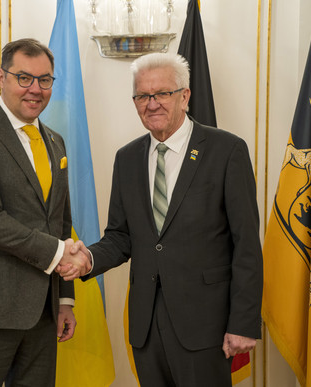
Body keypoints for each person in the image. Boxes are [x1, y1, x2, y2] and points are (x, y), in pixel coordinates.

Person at [60, 53, 262, 386]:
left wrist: (243, 321)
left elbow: (246, 245)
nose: (152, 104)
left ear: (184, 96)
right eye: (143, 95)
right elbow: (121, 236)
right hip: (146, 325)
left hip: (206, 325)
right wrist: (88, 259)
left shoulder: (227, 151)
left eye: (162, 93)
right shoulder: (127, 158)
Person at [0, 38, 91, 387]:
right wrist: (59, 254)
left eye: (45, 80)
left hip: (42, 311)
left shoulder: (55, 141)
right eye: (24, 78)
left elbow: (61, 221)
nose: (35, 89)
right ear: (1, 77)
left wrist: (64, 298)